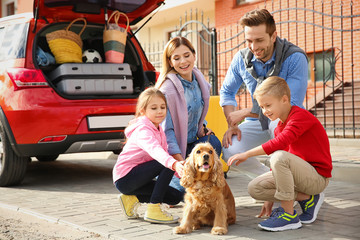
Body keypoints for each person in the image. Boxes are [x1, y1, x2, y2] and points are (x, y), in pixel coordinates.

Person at [227, 76, 332, 231]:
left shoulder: (300, 116)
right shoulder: (279, 127)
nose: (264, 111)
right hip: (298, 177)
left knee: (278, 157)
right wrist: (269, 199)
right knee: (255, 188)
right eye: (261, 107)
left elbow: (280, 145)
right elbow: (279, 161)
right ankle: (309, 199)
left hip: (316, 178)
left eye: (268, 105)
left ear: (284, 99)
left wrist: (247, 154)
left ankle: (289, 215)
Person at [220, 9, 308, 178]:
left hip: (285, 121)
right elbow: (227, 91)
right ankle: (270, 181)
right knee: (230, 148)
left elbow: (290, 104)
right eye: (249, 41)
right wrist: (232, 124)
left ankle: (299, 188)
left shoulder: (295, 57)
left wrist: (246, 112)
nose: (254, 47)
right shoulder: (241, 58)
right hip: (258, 122)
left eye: (259, 40)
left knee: (282, 146)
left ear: (273, 36)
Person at [155, 36, 222, 193]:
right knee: (177, 193)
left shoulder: (200, 82)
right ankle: (164, 178)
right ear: (170, 62)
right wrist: (181, 164)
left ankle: (203, 181)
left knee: (214, 144)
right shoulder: (167, 90)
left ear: (194, 55)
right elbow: (167, 132)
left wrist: (203, 127)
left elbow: (197, 113)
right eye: (176, 58)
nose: (183, 61)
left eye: (186, 55)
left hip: (192, 144)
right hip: (174, 151)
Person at [112, 87, 184, 224]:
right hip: (125, 177)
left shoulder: (158, 128)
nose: (160, 111)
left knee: (175, 197)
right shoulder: (143, 130)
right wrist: (174, 164)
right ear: (143, 111)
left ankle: (130, 199)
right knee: (166, 162)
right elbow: (156, 151)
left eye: (163, 107)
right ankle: (154, 210)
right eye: (154, 108)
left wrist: (183, 173)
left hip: (139, 179)